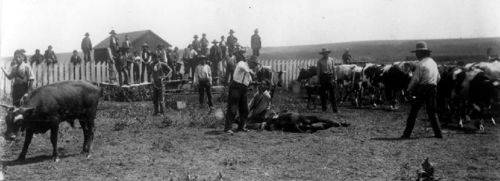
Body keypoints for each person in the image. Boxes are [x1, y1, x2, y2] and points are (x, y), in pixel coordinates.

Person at [401, 41, 443, 139]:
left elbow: (415, 80)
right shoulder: (433, 63)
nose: (416, 54)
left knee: (414, 112)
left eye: (417, 52)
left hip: (422, 89)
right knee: (432, 111)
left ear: (421, 53)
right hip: (433, 88)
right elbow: (438, 77)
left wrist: (408, 90)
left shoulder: (421, 65)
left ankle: (407, 134)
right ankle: (438, 133)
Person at [224, 49, 254, 134]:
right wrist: (249, 71)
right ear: (250, 62)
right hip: (235, 87)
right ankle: (227, 128)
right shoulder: (242, 63)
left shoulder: (249, 69)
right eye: (254, 64)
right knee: (232, 108)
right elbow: (243, 68)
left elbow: (249, 81)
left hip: (243, 90)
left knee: (244, 109)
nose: (254, 66)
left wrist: (252, 82)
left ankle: (241, 127)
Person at [316, 48, 338, 113]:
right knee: (323, 94)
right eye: (324, 53)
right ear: (322, 54)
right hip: (323, 77)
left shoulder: (331, 60)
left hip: (330, 77)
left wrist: (335, 79)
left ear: (328, 53)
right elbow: (318, 71)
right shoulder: (319, 61)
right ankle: (324, 109)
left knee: (333, 94)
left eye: (327, 53)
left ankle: (335, 109)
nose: (326, 54)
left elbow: (334, 70)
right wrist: (318, 80)